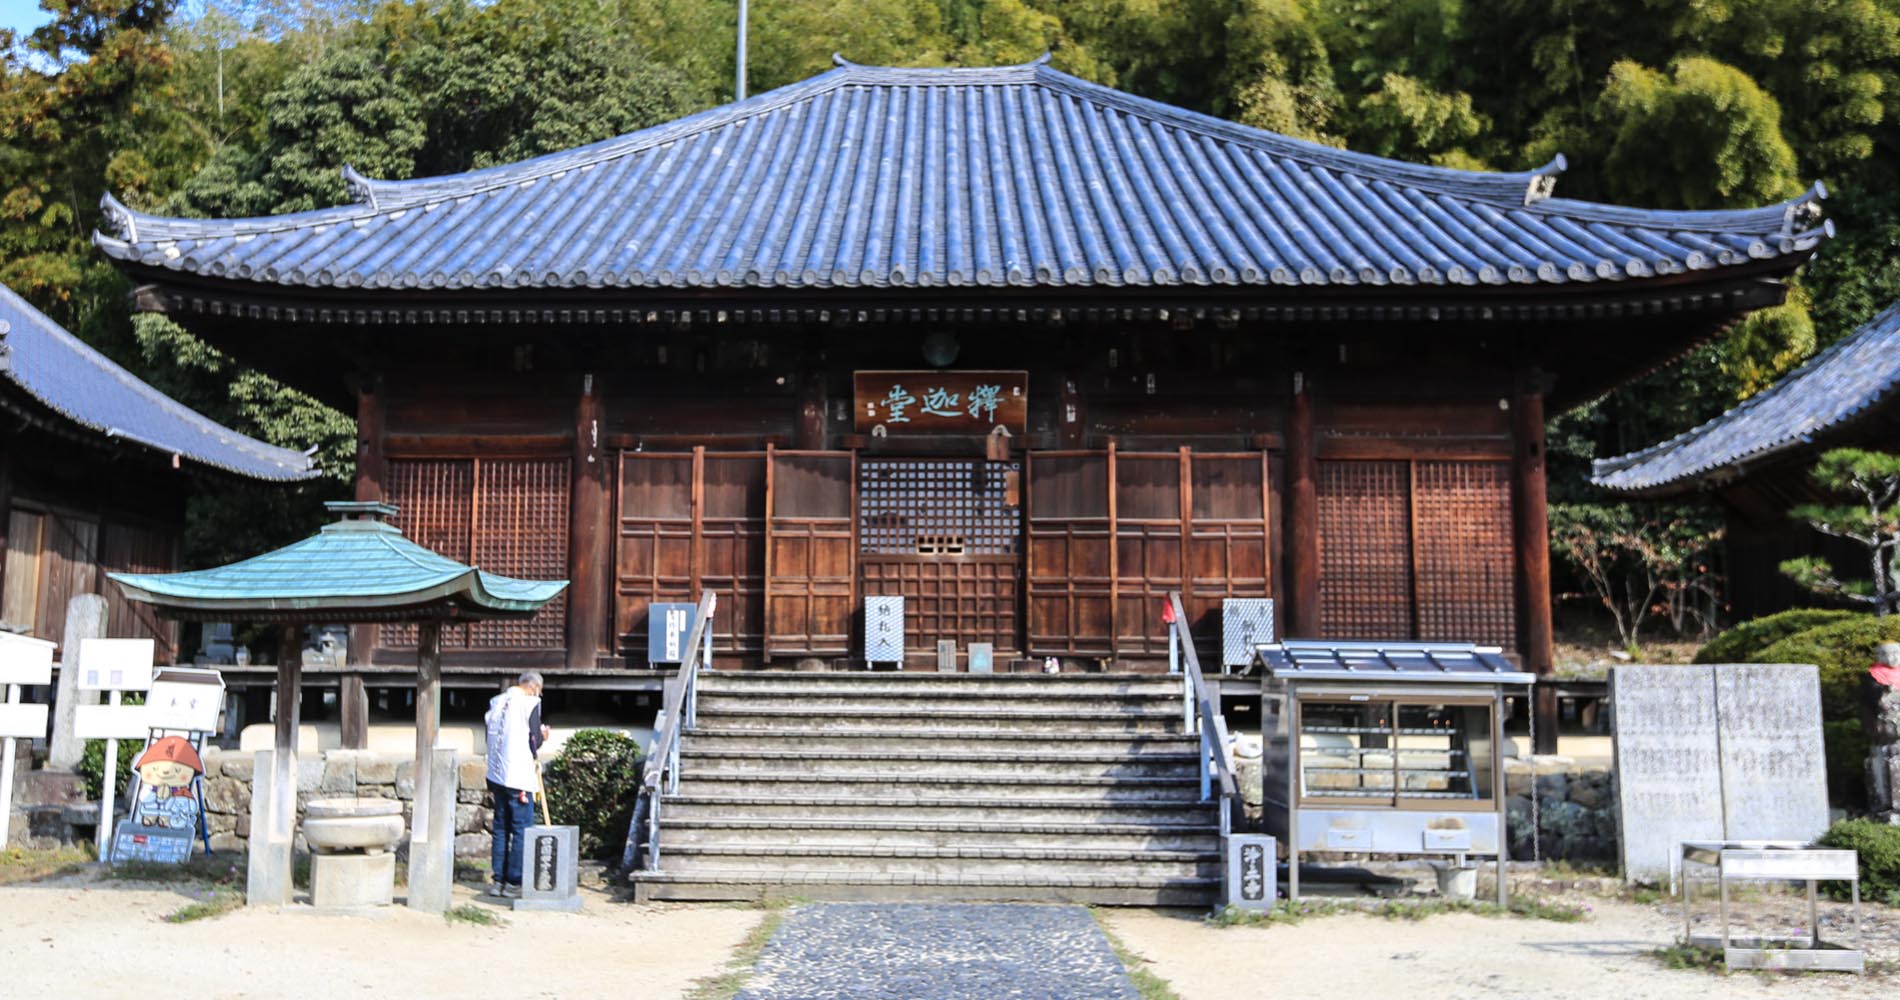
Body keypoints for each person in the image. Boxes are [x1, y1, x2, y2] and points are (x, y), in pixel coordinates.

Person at [484, 671, 550, 897]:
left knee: (501, 828)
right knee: (522, 829)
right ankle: (513, 882)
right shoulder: (530, 703)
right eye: (540, 690)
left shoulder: (496, 702)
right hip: (518, 774)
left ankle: (497, 881)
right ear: (533, 687)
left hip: (496, 773)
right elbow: (533, 740)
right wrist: (543, 736)